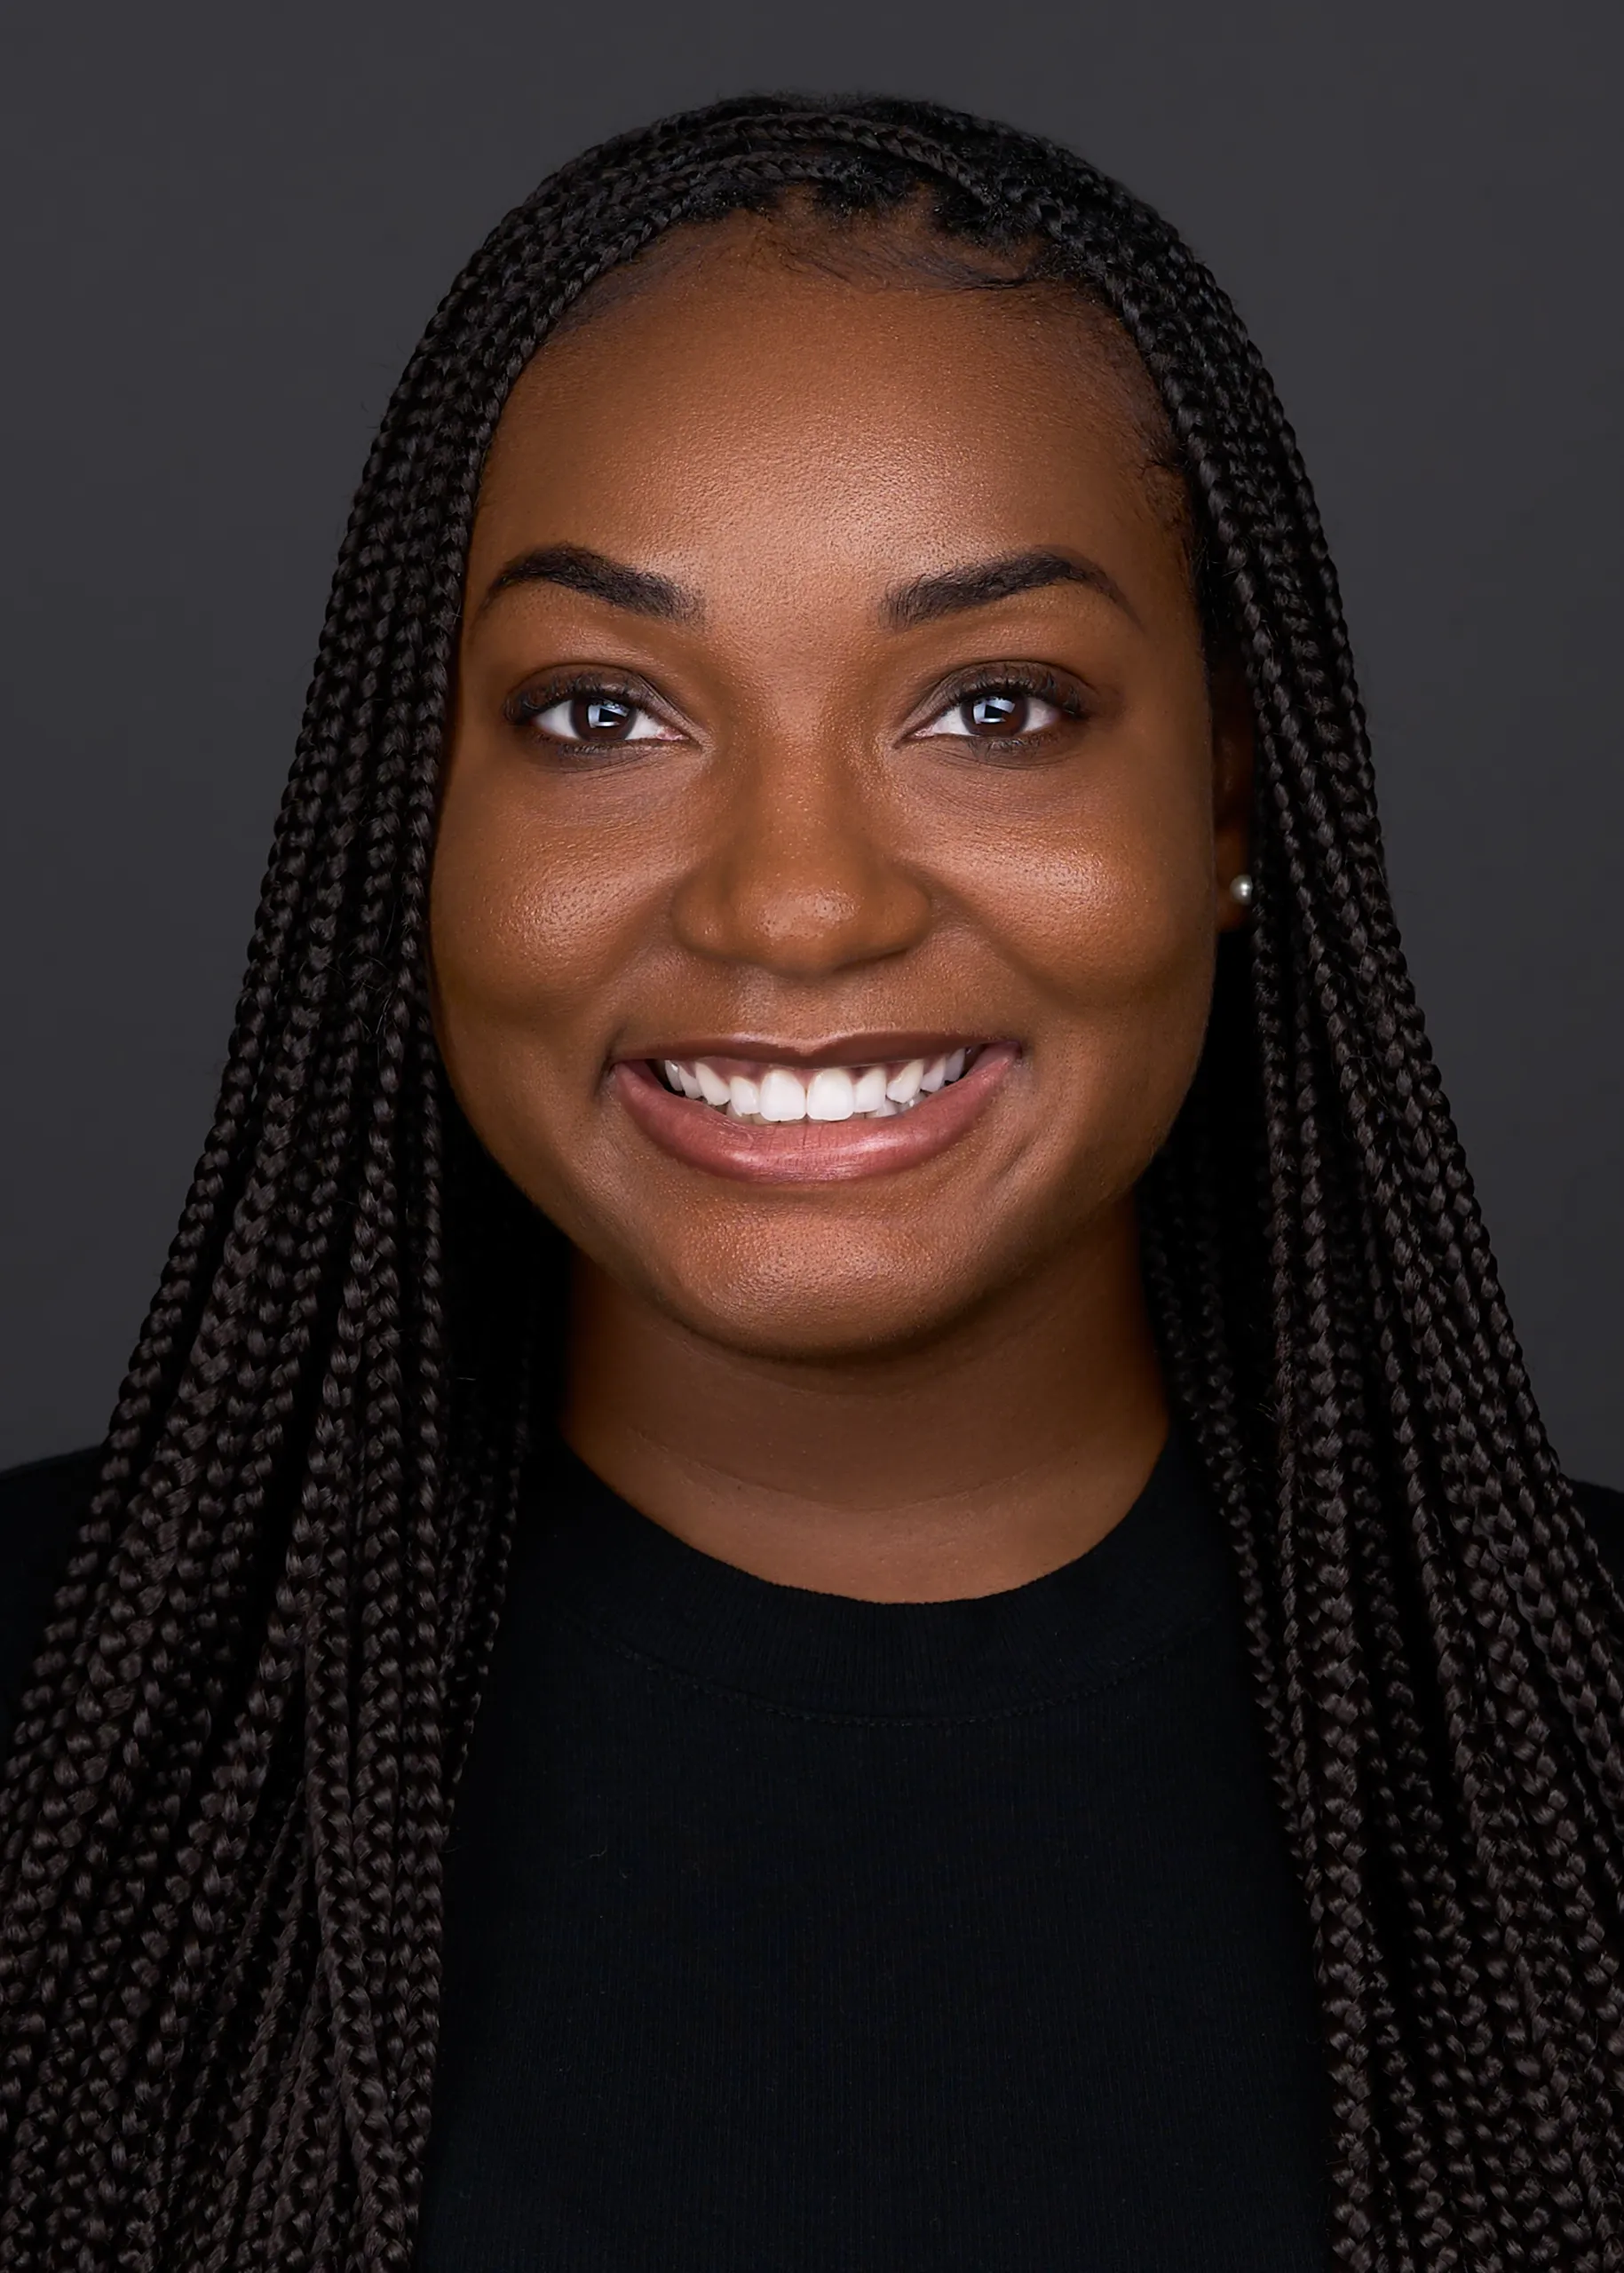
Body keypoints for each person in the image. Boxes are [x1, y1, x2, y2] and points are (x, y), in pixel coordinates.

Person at [0, 91, 1619, 2273]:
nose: (792, 905)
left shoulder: (1574, 1753)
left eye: (990, 706)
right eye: (598, 717)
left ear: (1227, 789)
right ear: (416, 806)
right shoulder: (54, 1736)